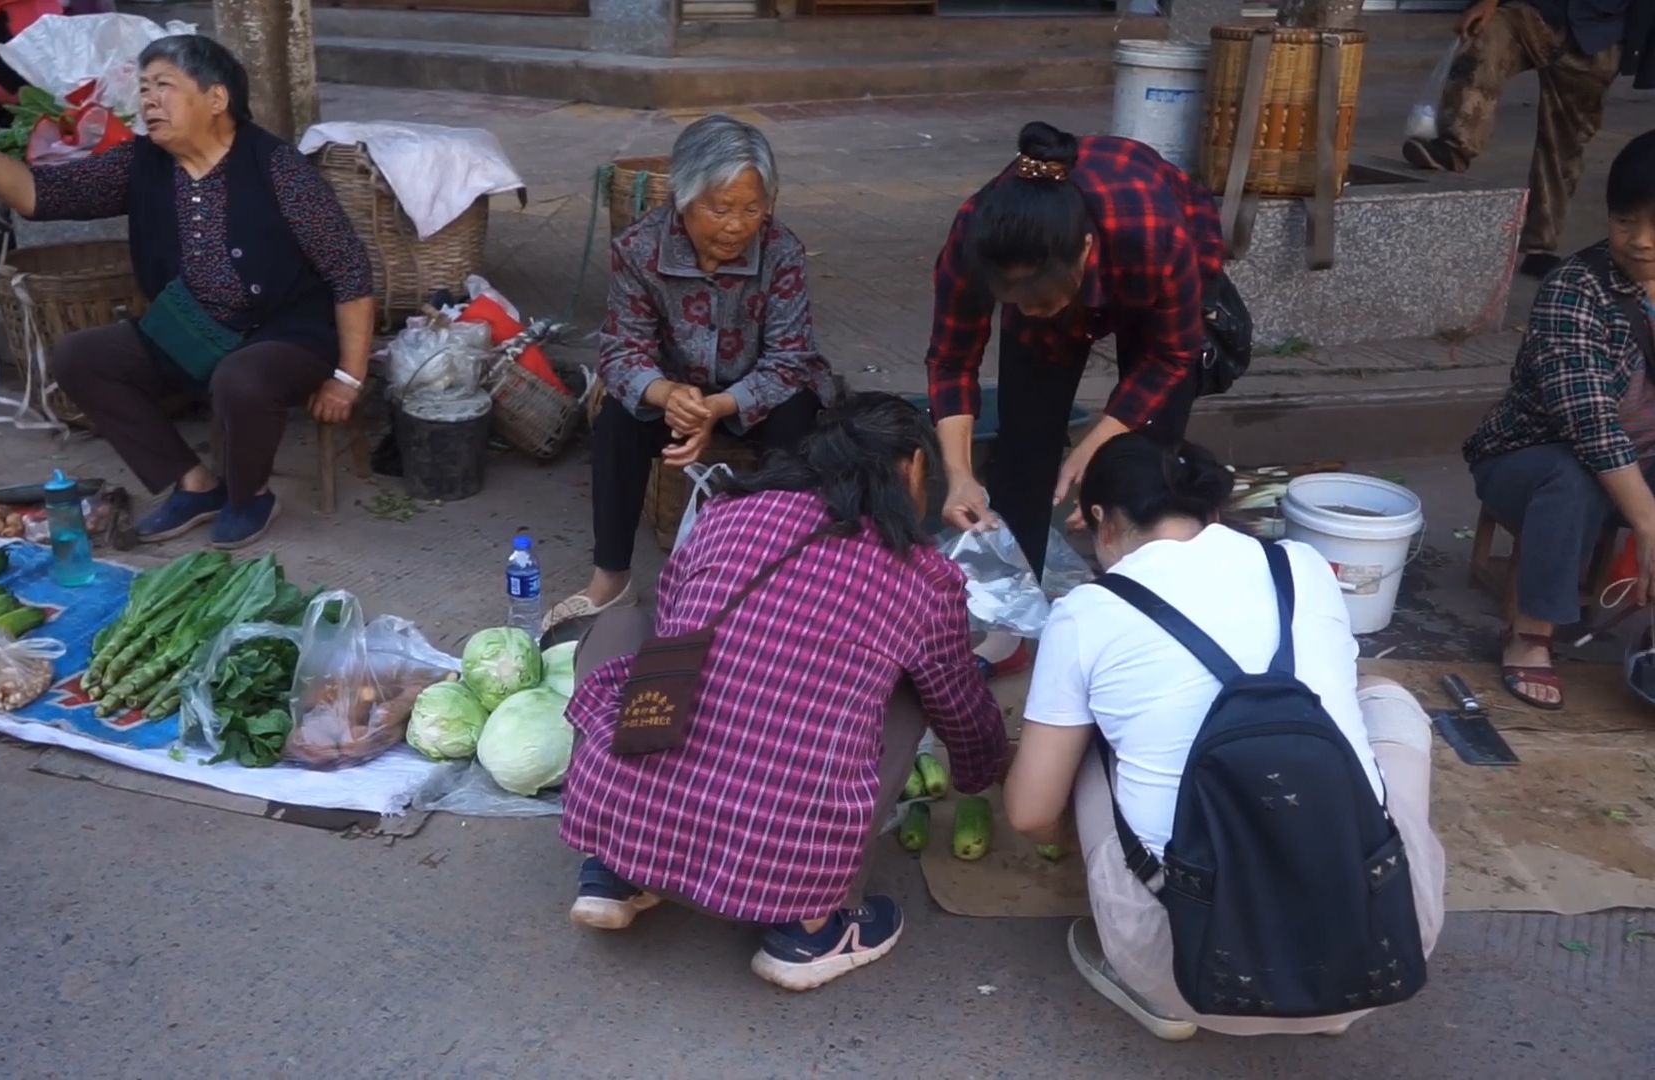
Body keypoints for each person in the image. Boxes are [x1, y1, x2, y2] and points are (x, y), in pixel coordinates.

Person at [559, 392, 1009, 992]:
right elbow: (956, 704)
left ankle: (615, 867)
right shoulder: (924, 577)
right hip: (783, 845)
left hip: (640, 787)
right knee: (907, 693)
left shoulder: (727, 513)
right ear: (913, 470)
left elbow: (673, 631)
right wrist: (986, 772)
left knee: (625, 626)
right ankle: (810, 928)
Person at [1003, 432, 1445, 1039]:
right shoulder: (1302, 565)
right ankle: (1327, 1003)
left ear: (1102, 520)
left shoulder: (1086, 612)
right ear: (1213, 508)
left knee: (1081, 745)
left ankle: (1144, 984)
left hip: (1188, 972)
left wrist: (1079, 837)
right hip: (1384, 946)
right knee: (1386, 702)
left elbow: (1030, 814)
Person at [0, 34, 375, 549]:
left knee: (241, 376)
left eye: (164, 86)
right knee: (80, 356)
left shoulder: (277, 168)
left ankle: (248, 495)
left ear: (216, 98)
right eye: (143, 89)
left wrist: (348, 377)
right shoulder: (140, 164)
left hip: (288, 334)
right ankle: (195, 483)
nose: (148, 101)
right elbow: (37, 193)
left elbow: (349, 269)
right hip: (194, 329)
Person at [543, 114, 836, 634]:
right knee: (617, 418)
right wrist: (667, 392)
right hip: (675, 395)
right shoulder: (639, 251)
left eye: (752, 208)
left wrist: (721, 406)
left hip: (754, 397)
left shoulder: (782, 252)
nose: (736, 225)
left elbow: (790, 359)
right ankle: (610, 578)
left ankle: (780, 571)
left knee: (802, 413)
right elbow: (621, 352)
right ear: (684, 197)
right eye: (720, 208)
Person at [924, 122, 1227, 583]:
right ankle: (1015, 612)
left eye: (1041, 302)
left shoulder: (1151, 235)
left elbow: (1170, 356)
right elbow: (951, 361)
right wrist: (960, 475)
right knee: (1023, 448)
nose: (1029, 311)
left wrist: (1096, 445)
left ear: (1085, 251)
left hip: (1143, 257)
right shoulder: (974, 242)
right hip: (1065, 266)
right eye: (1015, 303)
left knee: (1144, 457)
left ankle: (1154, 584)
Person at [1464, 130, 1655, 710]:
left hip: (1642, 458)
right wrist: (1647, 521)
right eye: (1626, 222)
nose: (1642, 242)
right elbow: (1590, 424)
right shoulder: (1574, 291)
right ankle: (1530, 635)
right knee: (1572, 474)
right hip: (1528, 457)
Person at [1402, 0, 1634, 279]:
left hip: (1599, 34)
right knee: (1491, 35)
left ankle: (1540, 246)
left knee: (1565, 143)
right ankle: (1455, 147)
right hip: (1536, 13)